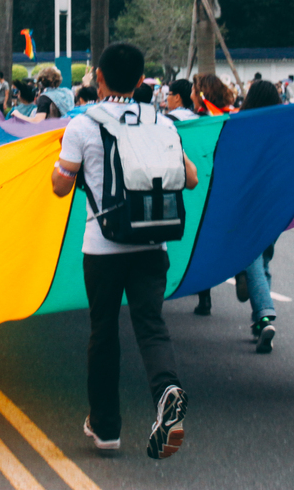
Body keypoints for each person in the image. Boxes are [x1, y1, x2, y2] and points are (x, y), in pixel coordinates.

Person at [51, 43, 198, 459]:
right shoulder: (162, 122)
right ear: (140, 81)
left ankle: (106, 428)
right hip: (153, 244)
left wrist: (60, 168)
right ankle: (167, 389)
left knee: (103, 332)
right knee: (151, 325)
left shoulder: (82, 126)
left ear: (98, 77)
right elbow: (190, 178)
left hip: (103, 246)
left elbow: (61, 186)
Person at [232, 80, 285, 353]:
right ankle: (258, 322)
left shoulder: (240, 124)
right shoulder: (285, 125)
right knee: (263, 256)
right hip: (275, 202)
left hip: (247, 201)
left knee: (251, 257)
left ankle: (265, 314)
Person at [189, 74, 233, 315]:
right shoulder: (229, 116)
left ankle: (203, 296)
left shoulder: (196, 122)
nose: (191, 94)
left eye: (194, 90)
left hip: (202, 187)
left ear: (201, 94)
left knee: (200, 241)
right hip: (226, 186)